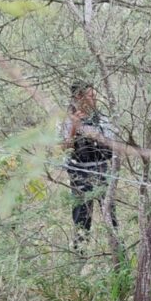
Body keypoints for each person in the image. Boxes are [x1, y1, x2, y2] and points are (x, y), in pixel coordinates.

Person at [60, 80, 117, 252]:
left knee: (110, 214)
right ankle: (80, 252)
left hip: (102, 169)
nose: (95, 100)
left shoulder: (101, 118)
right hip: (79, 172)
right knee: (81, 215)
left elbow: (112, 143)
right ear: (79, 97)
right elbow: (65, 146)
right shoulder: (68, 119)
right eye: (91, 96)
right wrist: (74, 128)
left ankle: (117, 252)